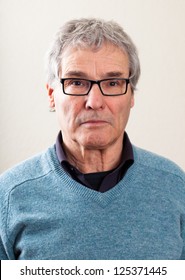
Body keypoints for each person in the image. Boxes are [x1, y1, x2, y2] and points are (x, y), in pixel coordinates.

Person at [0, 18, 185, 260]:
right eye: (76, 82)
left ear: (131, 95)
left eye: (112, 82)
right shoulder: (9, 196)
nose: (95, 102)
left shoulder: (175, 187)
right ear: (51, 95)